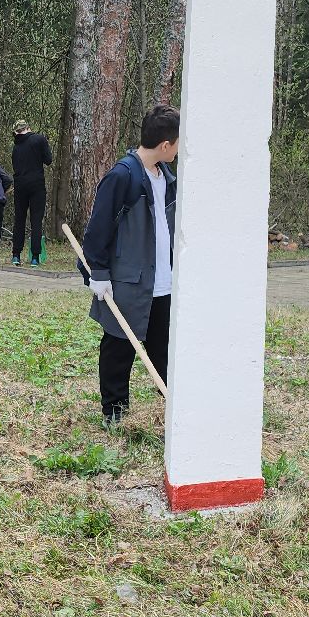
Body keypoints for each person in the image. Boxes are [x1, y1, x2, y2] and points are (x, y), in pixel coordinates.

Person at [82, 105, 178, 425]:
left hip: (164, 282)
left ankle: (175, 407)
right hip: (128, 282)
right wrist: (98, 272)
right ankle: (114, 412)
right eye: (178, 143)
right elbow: (98, 229)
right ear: (165, 145)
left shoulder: (167, 178)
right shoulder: (123, 176)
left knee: (164, 348)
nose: (180, 150)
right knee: (119, 347)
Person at [10, 120, 52, 265]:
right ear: (28, 128)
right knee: (36, 221)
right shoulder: (39, 139)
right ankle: (35, 257)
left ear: (16, 131)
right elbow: (48, 160)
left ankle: (16, 255)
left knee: (19, 220)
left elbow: (15, 166)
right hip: (36, 185)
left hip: (20, 185)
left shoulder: (16, 147)